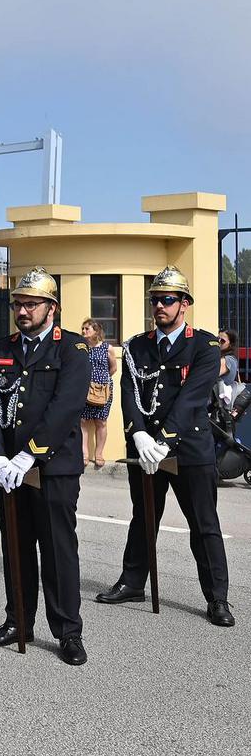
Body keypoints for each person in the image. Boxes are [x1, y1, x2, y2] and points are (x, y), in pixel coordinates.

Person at [96, 266, 234, 627]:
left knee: (203, 523)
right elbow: (129, 393)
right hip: (146, 450)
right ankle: (132, 582)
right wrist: (138, 435)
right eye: (155, 299)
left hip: (189, 448)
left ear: (184, 304)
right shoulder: (136, 346)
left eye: (168, 299)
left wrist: (164, 440)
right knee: (143, 517)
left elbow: (192, 398)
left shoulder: (204, 345)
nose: (159, 305)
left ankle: (217, 598)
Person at [0, 267, 92, 662]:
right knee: (16, 545)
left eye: (31, 304)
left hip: (52, 467)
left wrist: (30, 454)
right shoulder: (1, 349)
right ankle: (18, 620)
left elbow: (66, 406)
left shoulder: (72, 349)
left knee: (58, 549)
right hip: (9, 469)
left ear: (51, 308)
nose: (22, 312)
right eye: (18, 305)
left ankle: (68, 631)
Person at [80, 319, 115, 470]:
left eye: (87, 328)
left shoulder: (107, 348)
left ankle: (99, 454)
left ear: (96, 331)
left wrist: (101, 380)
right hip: (84, 389)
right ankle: (84, 453)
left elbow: (113, 368)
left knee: (101, 422)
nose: (83, 331)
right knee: (82, 421)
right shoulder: (81, 348)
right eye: (82, 329)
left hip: (103, 390)